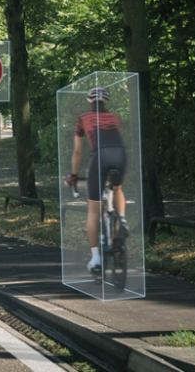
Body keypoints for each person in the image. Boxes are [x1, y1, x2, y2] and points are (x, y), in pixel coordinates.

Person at [65, 87, 128, 273]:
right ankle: (122, 220)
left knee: (93, 210)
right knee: (117, 188)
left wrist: (74, 175)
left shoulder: (83, 118)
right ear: (106, 101)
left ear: (89, 101)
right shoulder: (116, 118)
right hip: (120, 155)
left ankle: (96, 259)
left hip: (99, 157)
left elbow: (78, 152)